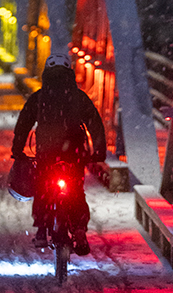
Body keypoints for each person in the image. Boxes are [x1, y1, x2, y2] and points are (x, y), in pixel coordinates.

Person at [11, 53, 106, 255]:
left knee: (43, 188)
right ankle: (79, 229)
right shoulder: (79, 97)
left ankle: (42, 230)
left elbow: (23, 124)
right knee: (76, 191)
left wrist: (17, 150)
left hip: (47, 152)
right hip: (74, 153)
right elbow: (95, 124)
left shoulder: (39, 97)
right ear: (70, 73)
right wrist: (99, 151)